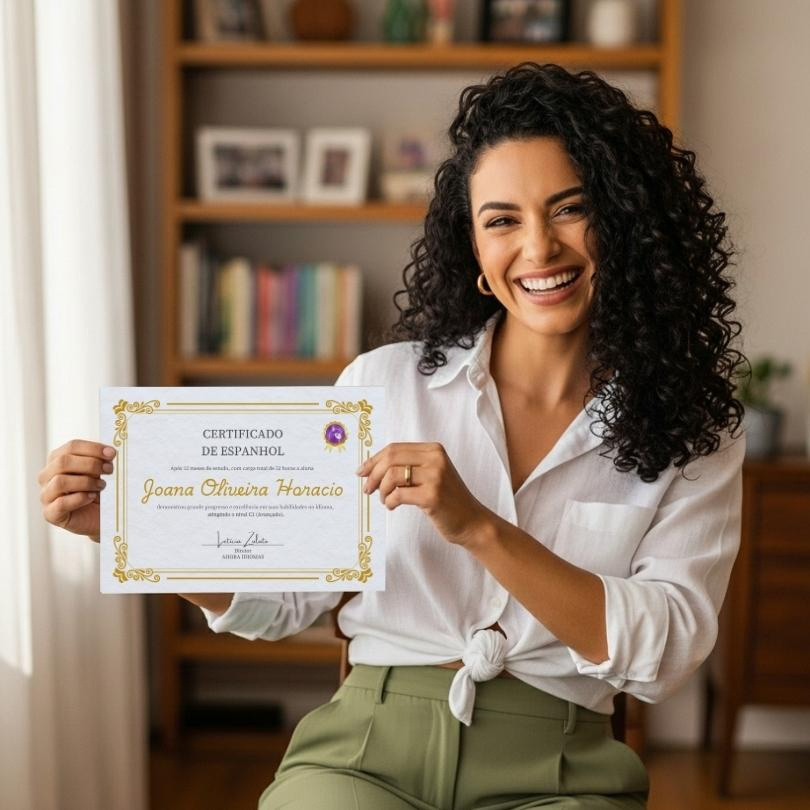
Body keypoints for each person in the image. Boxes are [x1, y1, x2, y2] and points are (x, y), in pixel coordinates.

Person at [39, 62, 748, 809]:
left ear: (627, 223)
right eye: (502, 220)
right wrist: (128, 528)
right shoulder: (383, 385)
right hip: (361, 757)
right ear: (473, 249)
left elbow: (666, 651)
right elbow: (281, 602)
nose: (538, 249)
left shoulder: (691, 430)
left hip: (560, 774)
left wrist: (479, 529)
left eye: (570, 209)